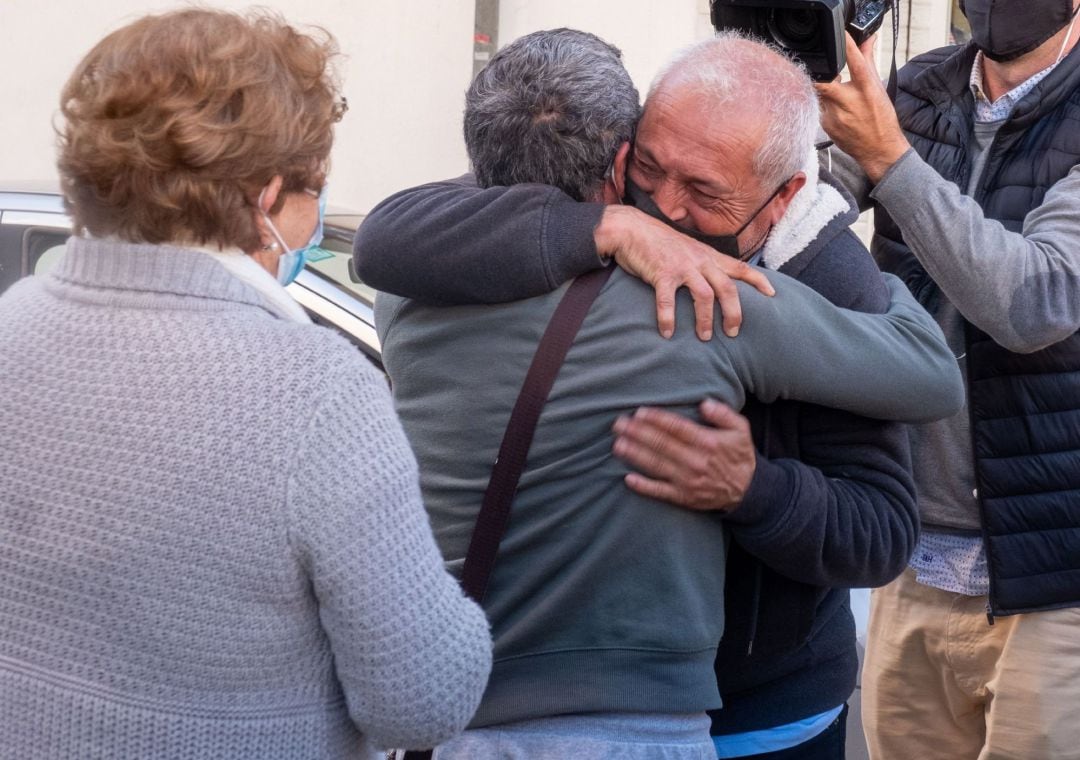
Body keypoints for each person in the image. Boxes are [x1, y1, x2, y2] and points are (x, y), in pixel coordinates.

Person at [364, 29, 962, 759]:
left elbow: (881, 529)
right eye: (651, 168)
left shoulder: (424, 280)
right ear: (621, 156)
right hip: (646, 717)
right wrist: (610, 226)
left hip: (751, 710)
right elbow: (928, 369)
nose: (670, 215)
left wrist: (756, 489)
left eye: (706, 192)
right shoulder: (701, 299)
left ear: (783, 198)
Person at [0, 9, 492, 759]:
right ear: (266, 198)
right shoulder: (317, 392)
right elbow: (422, 701)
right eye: (313, 190)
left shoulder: (13, 327)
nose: (316, 220)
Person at [814, 0, 1080, 756]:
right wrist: (806, 78)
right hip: (913, 551)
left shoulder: (894, 128)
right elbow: (801, 217)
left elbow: (1039, 300)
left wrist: (890, 161)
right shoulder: (915, 88)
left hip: (1053, 571)